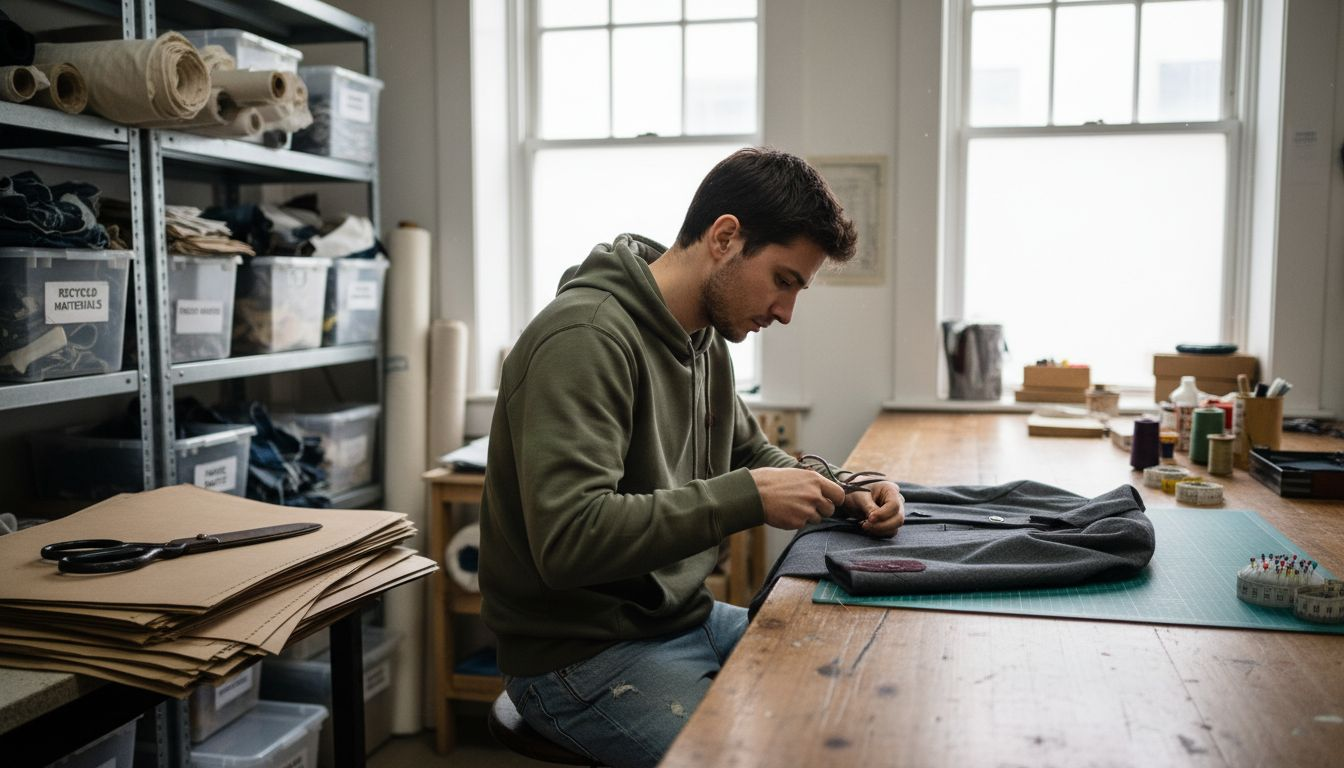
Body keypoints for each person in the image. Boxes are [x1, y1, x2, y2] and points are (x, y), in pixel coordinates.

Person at [478, 147, 906, 767]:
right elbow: (569, 540)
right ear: (725, 237)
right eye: (784, 280)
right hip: (579, 656)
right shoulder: (585, 339)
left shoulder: (704, 338)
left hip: (684, 620)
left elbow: (750, 451)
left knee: (856, 694)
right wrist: (748, 497)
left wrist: (845, 488)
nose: (786, 312)